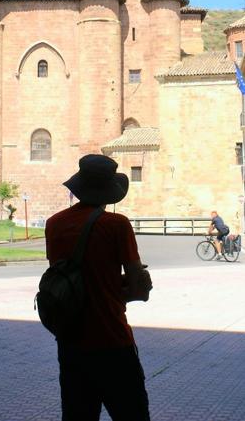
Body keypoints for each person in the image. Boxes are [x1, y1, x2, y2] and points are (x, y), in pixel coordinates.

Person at [45, 154, 152, 421]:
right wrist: (125, 289)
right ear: (109, 191)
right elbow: (140, 288)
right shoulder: (117, 225)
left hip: (71, 343)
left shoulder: (54, 224)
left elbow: (70, 278)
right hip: (111, 340)